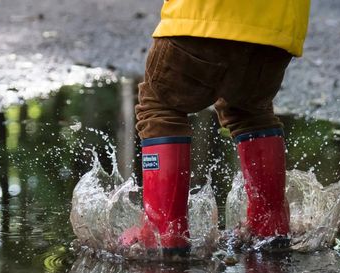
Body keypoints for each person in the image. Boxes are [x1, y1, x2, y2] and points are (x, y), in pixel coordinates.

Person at [122, 0, 311, 256]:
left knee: (160, 106)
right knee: (250, 111)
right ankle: (270, 225)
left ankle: (163, 232)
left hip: (205, 16)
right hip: (276, 31)